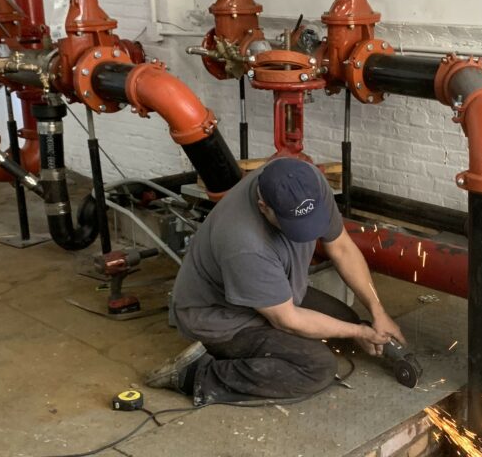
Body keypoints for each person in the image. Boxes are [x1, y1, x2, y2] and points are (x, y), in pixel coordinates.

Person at [144, 157, 405, 405]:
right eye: (293, 225)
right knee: (316, 367)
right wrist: (360, 331)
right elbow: (288, 320)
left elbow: (342, 248)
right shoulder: (244, 241)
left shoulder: (307, 183)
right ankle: (197, 376)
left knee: (346, 324)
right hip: (221, 317)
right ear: (263, 207)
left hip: (279, 293)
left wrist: (377, 311)